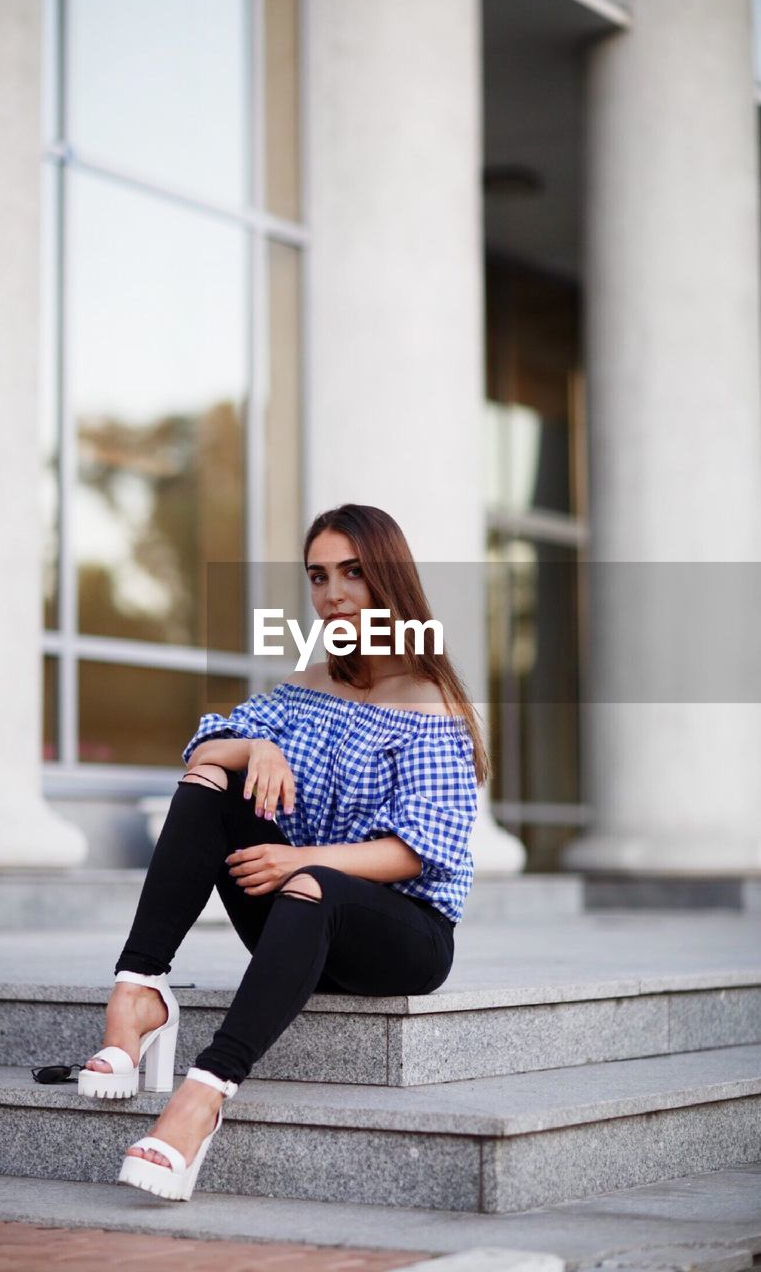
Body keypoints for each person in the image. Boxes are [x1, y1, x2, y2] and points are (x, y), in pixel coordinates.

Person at [79, 503, 491, 1201]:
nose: (332, 594)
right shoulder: (304, 690)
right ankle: (139, 991)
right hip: (299, 920)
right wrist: (256, 746)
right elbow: (204, 752)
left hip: (401, 935)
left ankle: (202, 1097)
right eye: (318, 576)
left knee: (314, 885)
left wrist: (304, 862)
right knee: (213, 780)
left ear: (389, 580)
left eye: (353, 573)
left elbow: (419, 853)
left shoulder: (430, 704)